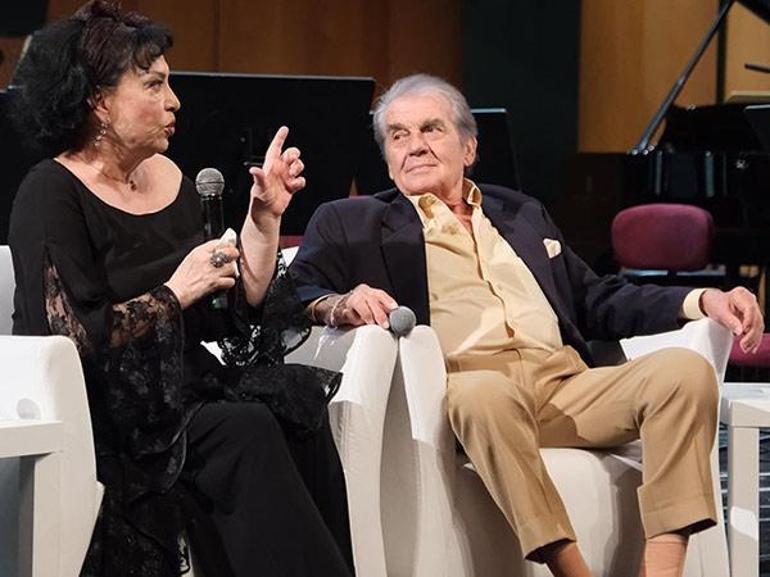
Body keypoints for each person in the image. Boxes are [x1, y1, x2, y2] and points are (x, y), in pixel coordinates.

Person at [289, 73, 765, 577]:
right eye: (398, 135)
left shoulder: (521, 213)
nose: (415, 146)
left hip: (566, 385)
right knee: (485, 395)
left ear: (469, 147)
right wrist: (339, 304)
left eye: (431, 129)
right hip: (470, 393)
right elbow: (292, 289)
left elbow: (594, 297)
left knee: (684, 372)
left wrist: (702, 299)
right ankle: (572, 570)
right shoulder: (352, 222)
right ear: (386, 156)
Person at [8, 2, 355, 576]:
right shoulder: (50, 192)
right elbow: (74, 339)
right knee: (243, 429)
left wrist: (263, 221)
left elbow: (230, 314)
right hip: (106, 411)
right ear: (98, 101)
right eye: (154, 84)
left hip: (181, 392)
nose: (174, 102)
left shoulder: (172, 179)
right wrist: (175, 291)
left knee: (298, 412)